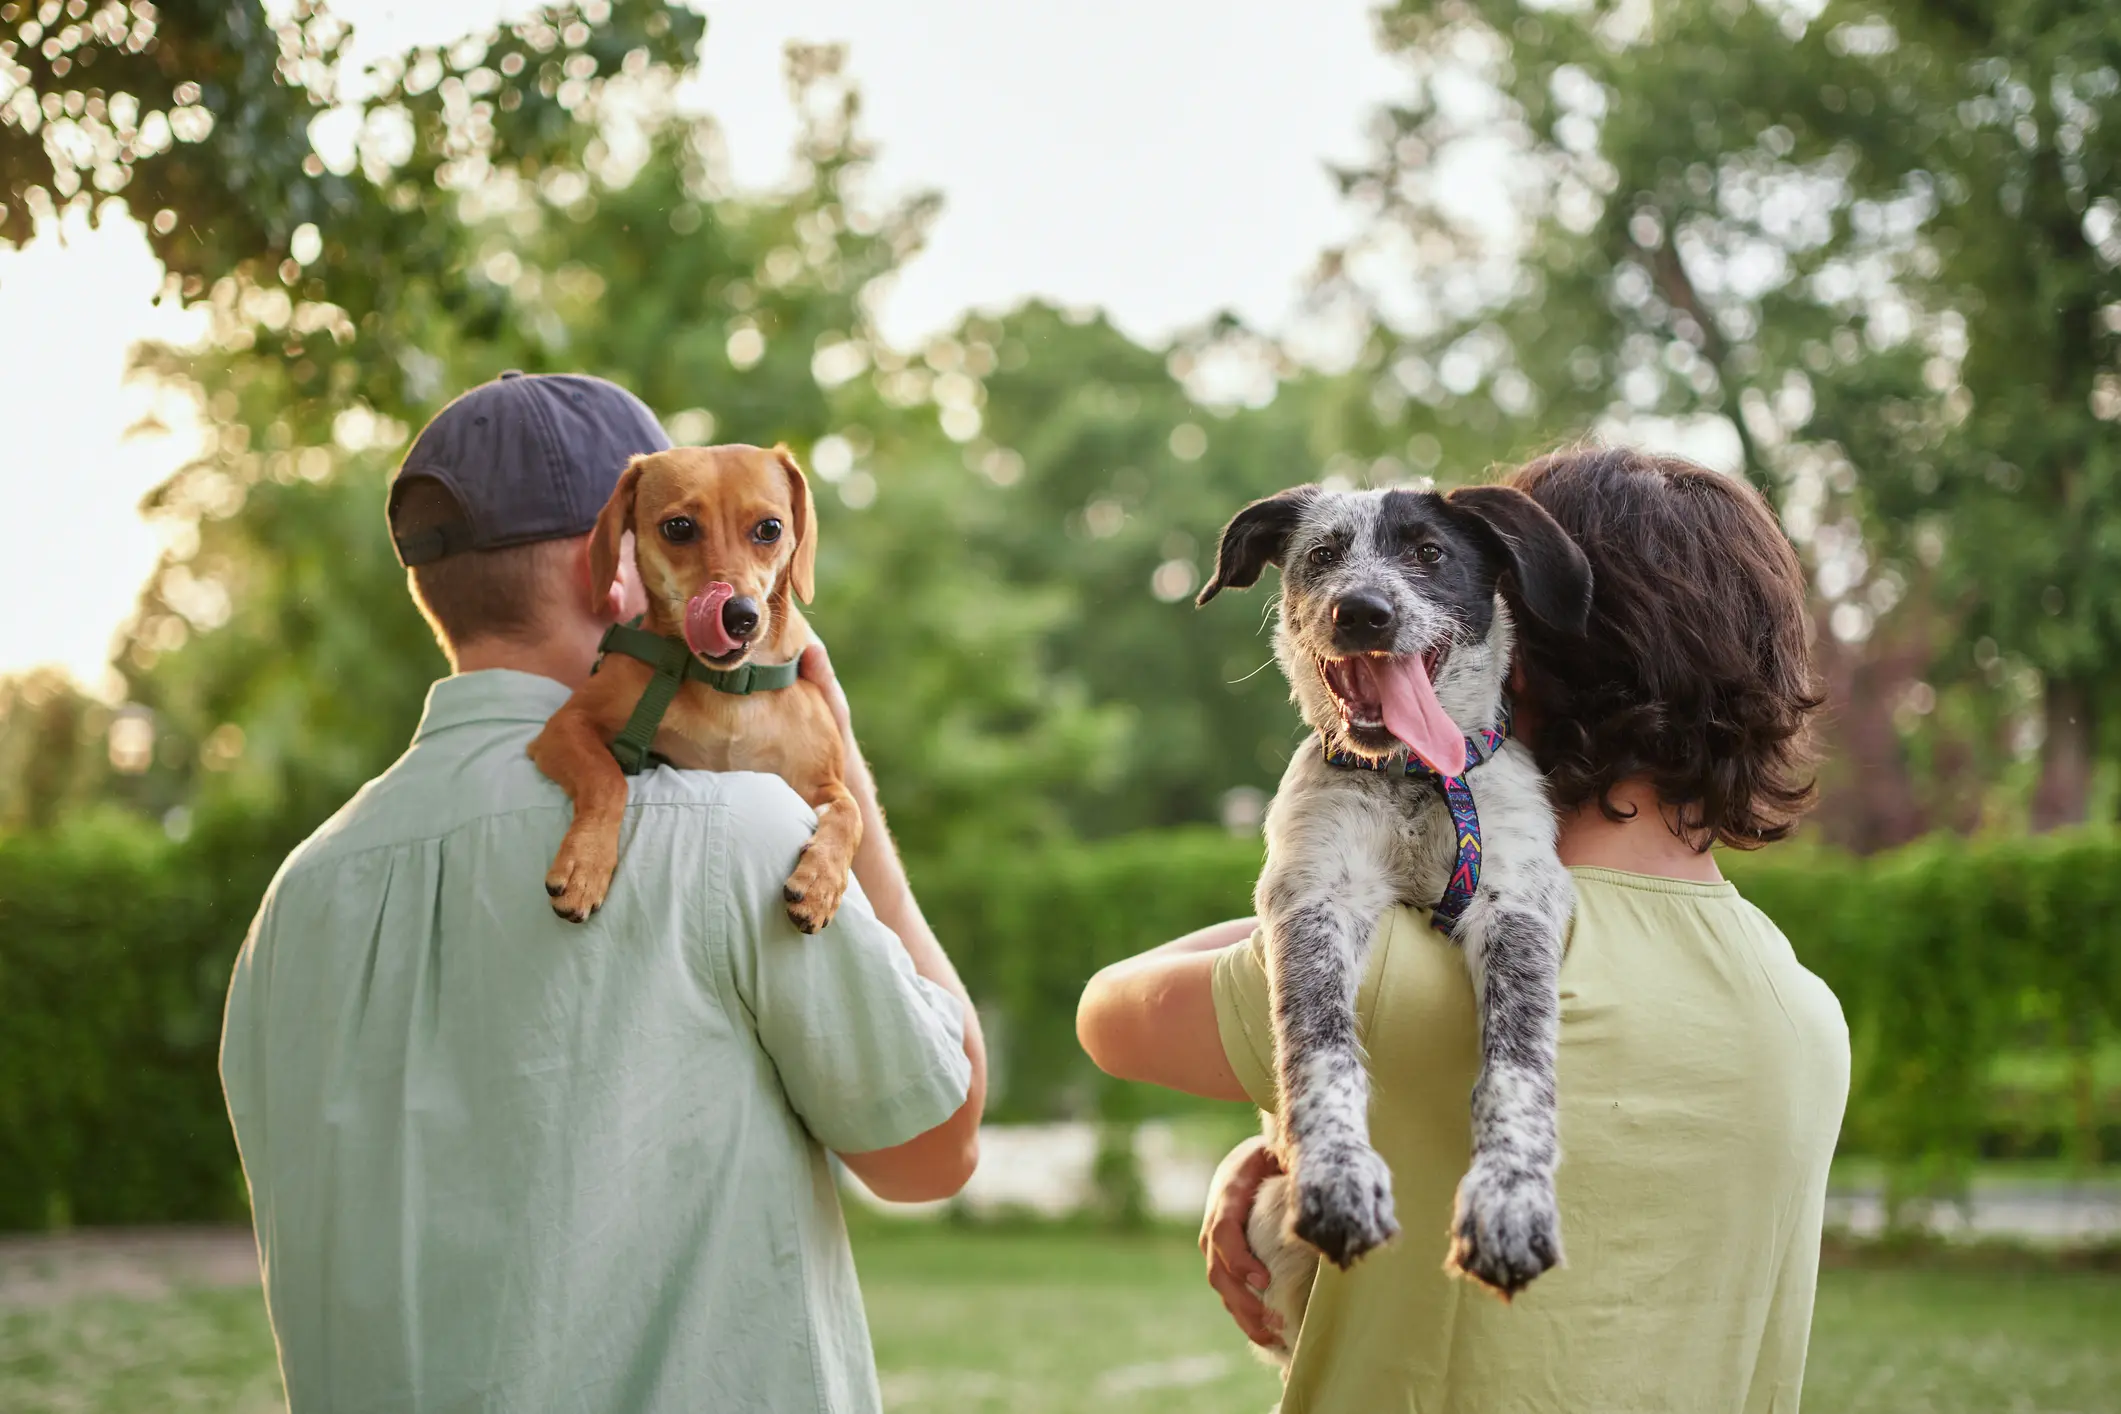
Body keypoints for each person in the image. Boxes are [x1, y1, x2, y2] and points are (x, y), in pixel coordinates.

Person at [219, 371, 987, 1414]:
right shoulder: (741, 833)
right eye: (684, 531)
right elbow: (937, 1142)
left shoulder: (295, 900)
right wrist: (840, 768)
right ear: (614, 573)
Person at [1077, 447, 1850, 1412]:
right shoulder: (1806, 1015)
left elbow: (1110, 1013)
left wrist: (1292, 1114)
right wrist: (1289, 1135)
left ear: (1523, 647)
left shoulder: (1399, 981)